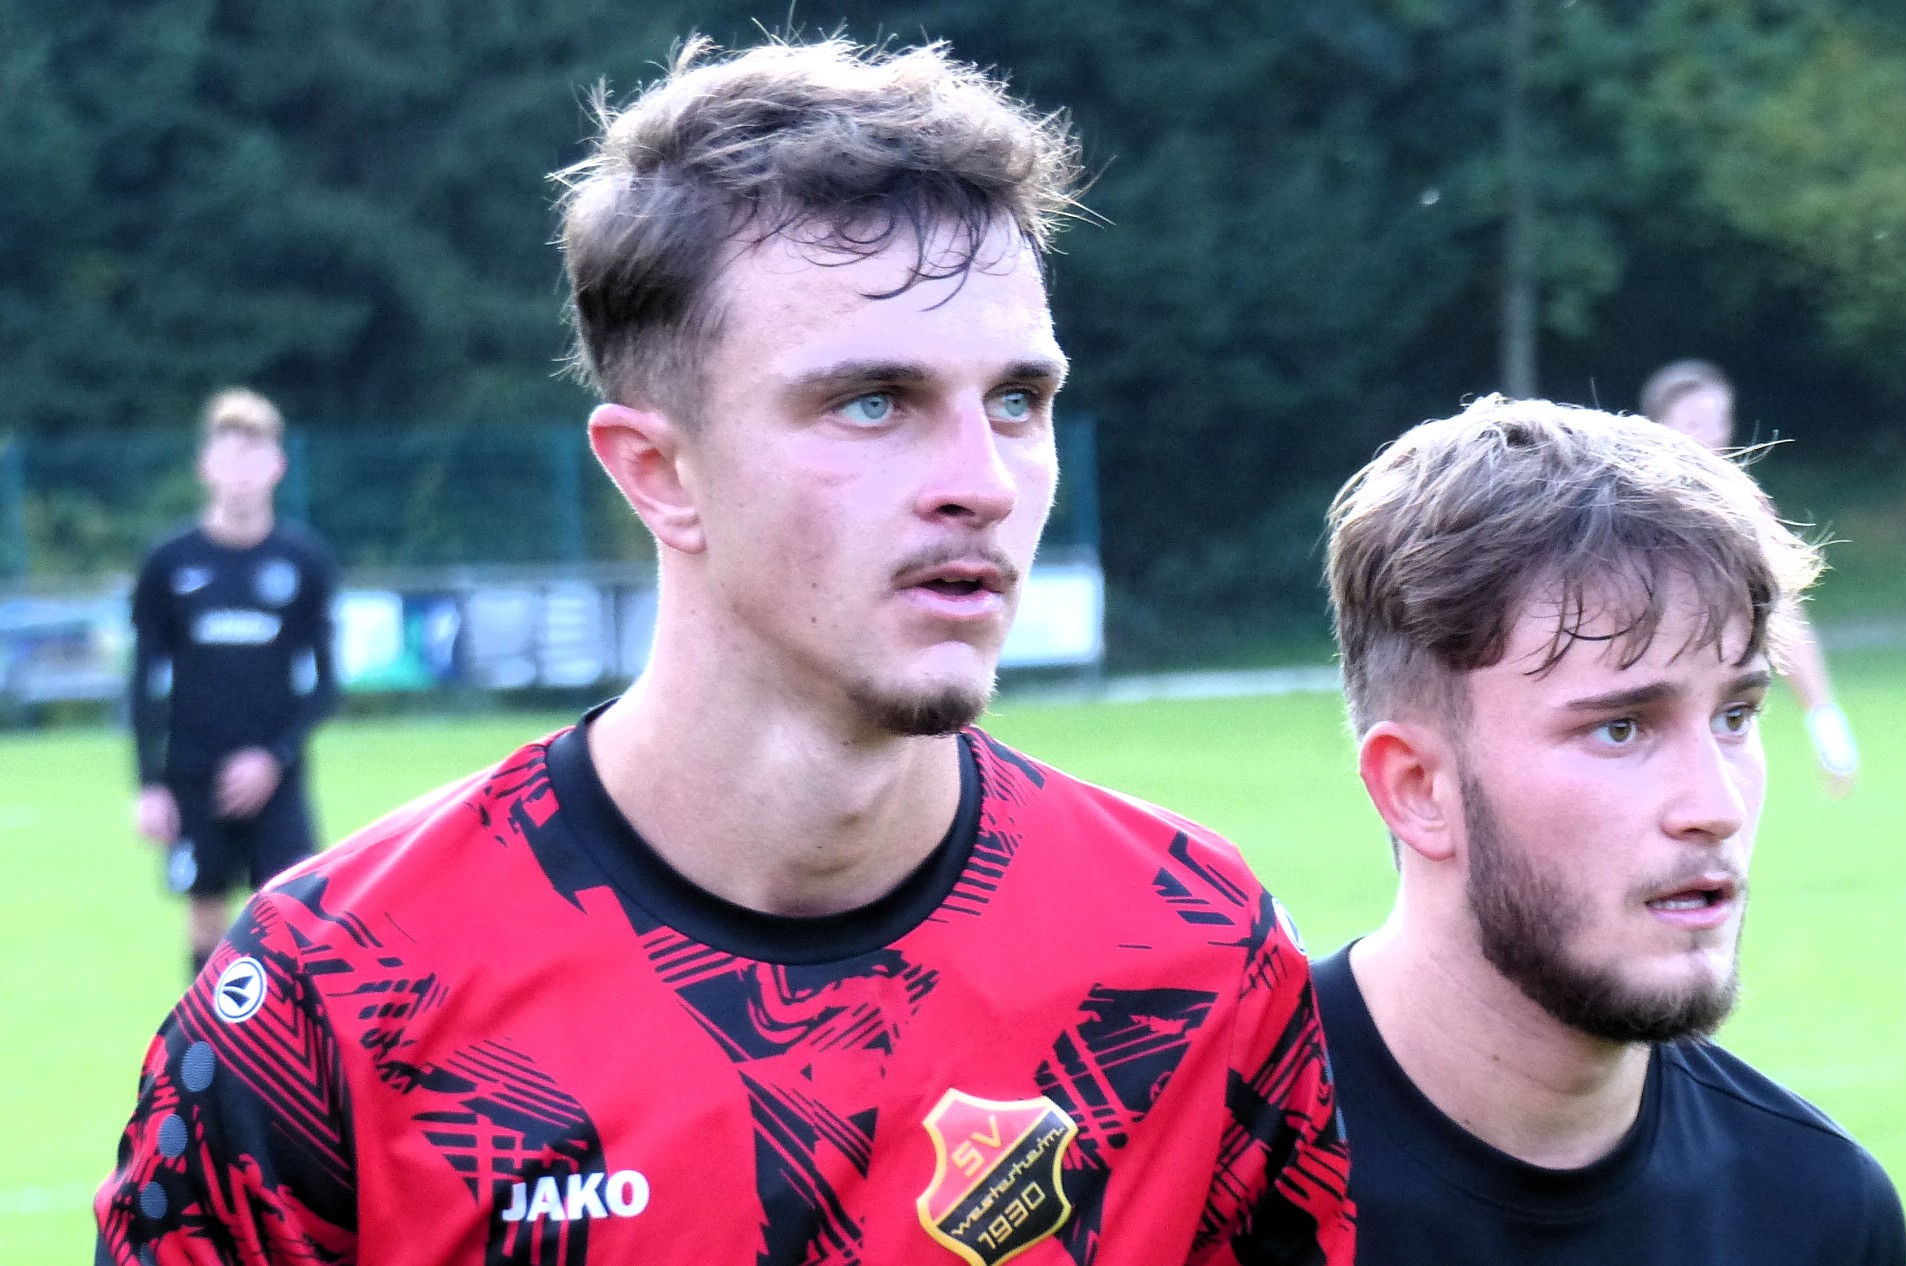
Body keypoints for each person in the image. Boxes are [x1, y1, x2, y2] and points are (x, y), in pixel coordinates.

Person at [96, 38, 1351, 1266]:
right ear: (657, 472)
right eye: (873, 402)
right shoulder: (330, 1002)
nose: (982, 482)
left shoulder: (1196, 954)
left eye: (1018, 401)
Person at [1314, 396, 1906, 1263]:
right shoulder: (1199, 1176)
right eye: (1621, 728)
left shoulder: (1820, 1213)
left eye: (1736, 716)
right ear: (1419, 790)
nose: (1717, 806)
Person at [127, 387, 339, 979]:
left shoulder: (305, 561)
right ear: (205, 467)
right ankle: (205, 1038)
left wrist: (272, 756)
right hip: (192, 773)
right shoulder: (169, 562)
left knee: (293, 918)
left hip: (277, 777)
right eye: (229, 456)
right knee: (206, 916)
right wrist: (149, 783)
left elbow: (326, 685)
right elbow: (144, 678)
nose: (242, 473)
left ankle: (287, 1037)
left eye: (255, 456)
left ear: (278, 466)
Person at [1641, 359, 1859, 797]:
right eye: (1695, 423)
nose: (1712, 436)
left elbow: (1784, 613)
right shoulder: (1619, 508)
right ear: (1657, 425)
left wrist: (1826, 724)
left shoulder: (1743, 508)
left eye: (1719, 421)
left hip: (1712, 704)